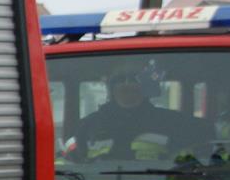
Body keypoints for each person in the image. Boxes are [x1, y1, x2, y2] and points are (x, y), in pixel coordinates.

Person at [68, 62, 213, 163]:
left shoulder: (174, 123)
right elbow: (69, 165)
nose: (127, 84)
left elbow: (192, 165)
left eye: (134, 79)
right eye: (120, 79)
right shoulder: (88, 125)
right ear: (111, 88)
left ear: (146, 86)